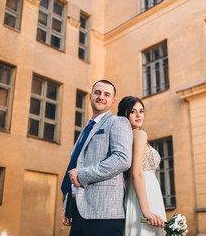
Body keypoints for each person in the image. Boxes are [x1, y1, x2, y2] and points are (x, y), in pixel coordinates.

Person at [61, 80, 133, 236]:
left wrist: (82, 174)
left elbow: (122, 159)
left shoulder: (118, 122)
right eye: (98, 93)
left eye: (107, 94)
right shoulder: (86, 129)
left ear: (113, 101)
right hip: (79, 212)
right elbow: (74, 166)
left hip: (105, 213)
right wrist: (68, 207)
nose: (101, 97)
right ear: (90, 96)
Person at [118, 96, 166, 236]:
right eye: (133, 111)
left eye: (141, 111)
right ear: (124, 114)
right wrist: (146, 211)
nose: (139, 115)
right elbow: (136, 173)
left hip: (135, 192)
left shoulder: (124, 137)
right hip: (145, 193)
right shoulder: (139, 134)